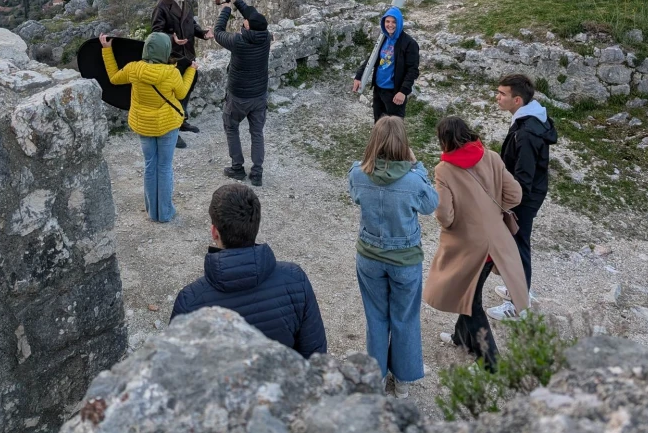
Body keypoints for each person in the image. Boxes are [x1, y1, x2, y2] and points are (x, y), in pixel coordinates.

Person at [170, 183, 327, 358]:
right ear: (256, 225)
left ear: (214, 232)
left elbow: (176, 371)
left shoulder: (189, 302)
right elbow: (315, 357)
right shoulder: (296, 280)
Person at [424, 116, 528, 365]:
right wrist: (490, 213)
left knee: (471, 302)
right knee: (467, 293)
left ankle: (491, 363)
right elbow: (515, 194)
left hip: (467, 247)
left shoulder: (444, 170)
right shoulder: (491, 156)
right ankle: (461, 338)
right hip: (495, 243)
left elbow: (445, 215)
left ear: (444, 141)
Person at [348, 116, 438, 398]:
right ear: (404, 144)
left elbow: (354, 195)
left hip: (370, 257)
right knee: (405, 318)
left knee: (376, 318)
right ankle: (402, 381)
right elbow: (431, 204)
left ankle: (376, 377)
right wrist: (418, 165)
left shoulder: (358, 174)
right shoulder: (413, 180)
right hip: (405, 259)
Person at [100, 31, 196, 223]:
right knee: (165, 167)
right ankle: (165, 212)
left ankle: (153, 211)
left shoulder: (134, 69)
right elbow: (182, 93)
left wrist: (107, 51)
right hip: (167, 125)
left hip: (143, 125)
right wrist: (191, 70)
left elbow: (114, 78)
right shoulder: (171, 73)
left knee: (150, 165)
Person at [488, 74, 558, 321]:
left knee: (518, 246)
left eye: (502, 94)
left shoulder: (527, 132)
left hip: (524, 198)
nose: (498, 97)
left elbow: (523, 177)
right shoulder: (529, 118)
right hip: (531, 193)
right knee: (518, 243)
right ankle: (517, 289)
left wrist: (508, 203)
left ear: (517, 100)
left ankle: (519, 306)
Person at [213, 0, 272, 186]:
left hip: (238, 96)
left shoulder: (239, 42)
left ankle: (237, 168)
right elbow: (252, 17)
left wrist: (226, 9)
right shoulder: (266, 37)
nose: (244, 21)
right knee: (257, 133)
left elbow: (218, 33)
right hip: (259, 96)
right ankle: (257, 173)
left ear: (248, 28)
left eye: (245, 23)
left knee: (231, 127)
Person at [152, 0, 213, 148]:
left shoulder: (185, 1)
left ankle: (181, 120)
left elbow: (191, 24)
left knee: (187, 89)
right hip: (172, 58)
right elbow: (156, 32)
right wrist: (172, 39)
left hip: (188, 55)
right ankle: (172, 131)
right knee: (171, 94)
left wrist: (203, 33)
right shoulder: (162, 5)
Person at [352, 6, 419, 123]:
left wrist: (403, 91)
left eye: (394, 22)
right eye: (387, 21)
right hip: (379, 90)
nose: (390, 25)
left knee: (394, 129)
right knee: (378, 124)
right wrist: (359, 76)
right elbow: (371, 58)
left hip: (394, 93)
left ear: (399, 23)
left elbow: (412, 70)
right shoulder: (383, 38)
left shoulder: (409, 43)